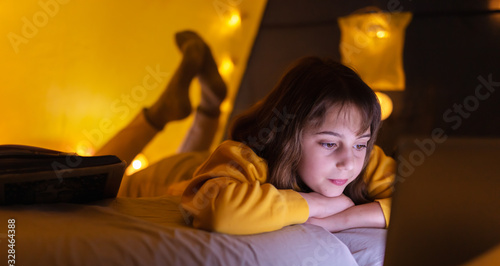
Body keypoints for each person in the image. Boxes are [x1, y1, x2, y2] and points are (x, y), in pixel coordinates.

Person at [100, 30, 395, 236]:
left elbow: (417, 201)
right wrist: (317, 204)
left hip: (204, 162)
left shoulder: (360, 158)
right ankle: (160, 114)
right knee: (100, 174)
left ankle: (208, 106)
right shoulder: (243, 156)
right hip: (174, 176)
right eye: (330, 143)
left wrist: (341, 220)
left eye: (360, 143)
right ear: (289, 136)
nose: (348, 162)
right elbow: (221, 211)